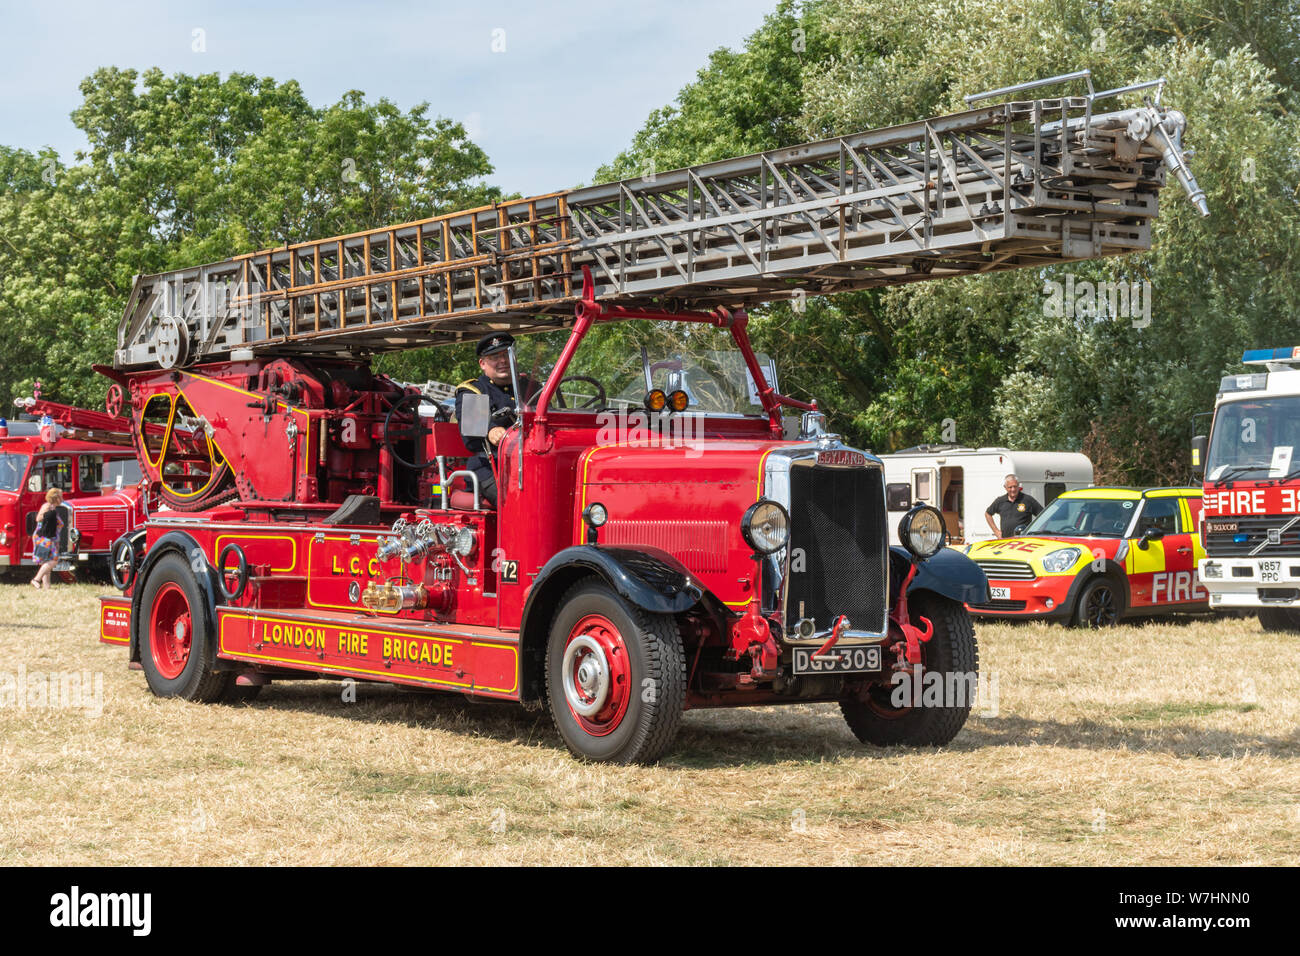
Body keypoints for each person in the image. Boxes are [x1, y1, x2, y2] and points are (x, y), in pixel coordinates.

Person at [454, 333, 537, 508]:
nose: (502, 361)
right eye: (494, 357)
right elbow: (473, 434)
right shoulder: (473, 390)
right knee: (522, 503)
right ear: (482, 364)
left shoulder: (533, 388)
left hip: (532, 464)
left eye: (506, 354)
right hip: (491, 467)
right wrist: (491, 430)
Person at [31, 487, 65, 589]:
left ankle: (47, 587)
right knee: (54, 560)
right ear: (56, 498)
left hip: (51, 539)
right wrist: (48, 514)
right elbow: (38, 518)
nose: (62, 499)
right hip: (44, 538)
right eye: (60, 497)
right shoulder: (47, 506)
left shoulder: (53, 508)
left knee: (46, 562)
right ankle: (36, 579)